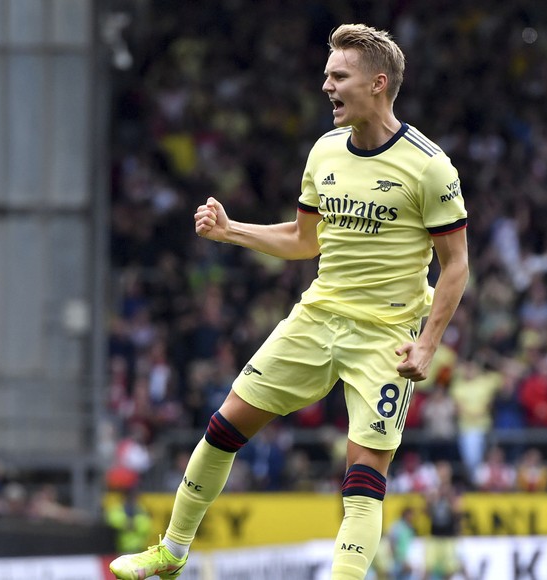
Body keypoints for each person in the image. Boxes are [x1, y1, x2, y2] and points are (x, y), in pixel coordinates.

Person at [109, 22, 469, 580]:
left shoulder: (429, 166)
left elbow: (457, 266)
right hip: (318, 317)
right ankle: (172, 552)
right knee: (224, 426)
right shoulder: (325, 151)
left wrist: (427, 345)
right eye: (326, 74)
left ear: (378, 84)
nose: (325, 85)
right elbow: (306, 240)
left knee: (363, 476)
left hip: (387, 337)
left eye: (338, 75)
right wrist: (232, 232)